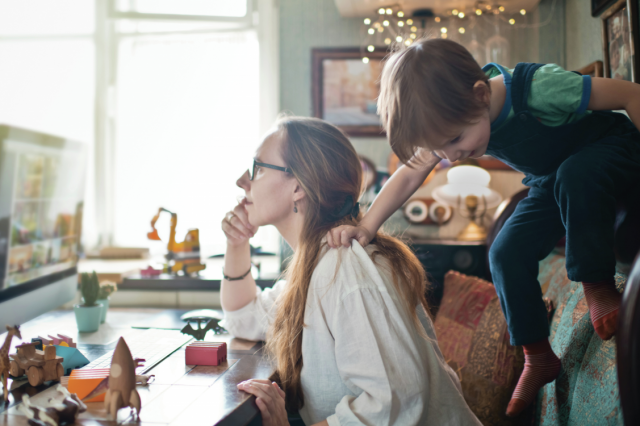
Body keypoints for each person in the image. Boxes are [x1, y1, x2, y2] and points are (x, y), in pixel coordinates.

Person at [326, 38, 640, 417]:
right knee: (504, 252)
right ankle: (537, 355)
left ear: (480, 95)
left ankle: (599, 287)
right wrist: (367, 226)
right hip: (553, 179)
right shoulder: (451, 115)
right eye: (440, 150)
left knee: (576, 174)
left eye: (455, 142)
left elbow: (629, 94)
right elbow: (409, 176)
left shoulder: (537, 88)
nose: (450, 157)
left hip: (611, 150)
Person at [220, 116, 482, 426]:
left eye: (258, 168)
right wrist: (237, 243)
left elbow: (392, 403)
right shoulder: (316, 263)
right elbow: (243, 317)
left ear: (298, 187)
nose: (242, 180)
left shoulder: (344, 267)